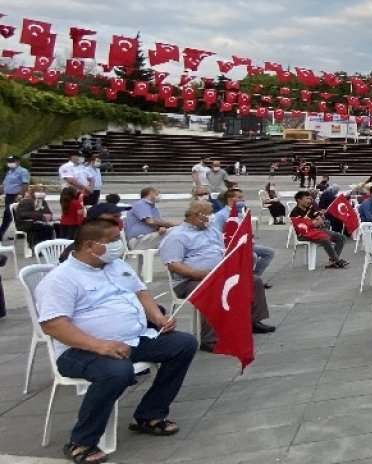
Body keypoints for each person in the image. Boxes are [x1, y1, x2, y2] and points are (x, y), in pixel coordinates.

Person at [34, 220, 199, 464]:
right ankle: (82, 441)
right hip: (80, 350)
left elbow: (140, 291)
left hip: (132, 339)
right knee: (115, 371)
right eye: (111, 240)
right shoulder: (60, 279)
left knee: (183, 344)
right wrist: (101, 346)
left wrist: (158, 317)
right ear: (90, 245)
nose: (117, 245)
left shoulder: (116, 265)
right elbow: (53, 325)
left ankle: (149, 415)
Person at [159, 201, 274, 351]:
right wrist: (199, 274)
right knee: (213, 289)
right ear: (195, 216)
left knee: (253, 281)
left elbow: (223, 248)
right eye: (207, 214)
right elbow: (173, 264)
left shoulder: (211, 230)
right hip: (190, 280)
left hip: (220, 273)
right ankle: (210, 339)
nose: (211, 217)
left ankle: (253, 321)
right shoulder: (176, 236)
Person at [211, 189, 276, 281]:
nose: (243, 199)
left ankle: (254, 277)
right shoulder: (221, 215)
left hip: (244, 243)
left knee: (269, 252)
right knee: (253, 255)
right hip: (230, 245)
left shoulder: (239, 212)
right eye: (240, 197)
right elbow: (216, 232)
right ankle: (246, 279)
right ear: (230, 199)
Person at [290, 191, 348, 268]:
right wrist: (312, 223)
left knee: (341, 237)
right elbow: (303, 227)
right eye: (307, 198)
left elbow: (320, 221)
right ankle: (337, 260)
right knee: (325, 239)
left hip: (317, 230)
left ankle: (332, 260)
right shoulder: (294, 213)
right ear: (299, 200)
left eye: (310, 198)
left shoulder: (310, 208)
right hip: (304, 234)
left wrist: (311, 223)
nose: (309, 201)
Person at [1, 154, 30, 240]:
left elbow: (25, 184)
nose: (10, 163)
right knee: (15, 215)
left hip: (16, 196)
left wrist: (20, 195)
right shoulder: (9, 171)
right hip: (9, 196)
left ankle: (0, 233)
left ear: (18, 162)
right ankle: (20, 233)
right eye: (9, 162)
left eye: (12, 162)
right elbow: (6, 183)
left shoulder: (23, 171)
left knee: (8, 214)